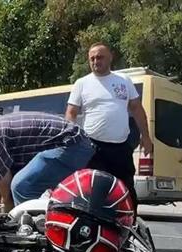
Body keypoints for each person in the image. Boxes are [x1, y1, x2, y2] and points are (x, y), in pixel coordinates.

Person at [65, 42, 153, 209]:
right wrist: (70, 138)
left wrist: (146, 136)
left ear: (110, 57)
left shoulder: (124, 81)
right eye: (92, 58)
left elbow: (136, 108)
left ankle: (129, 228)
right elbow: (71, 113)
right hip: (92, 147)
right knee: (92, 191)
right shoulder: (82, 83)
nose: (96, 61)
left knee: (126, 190)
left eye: (100, 57)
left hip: (120, 148)